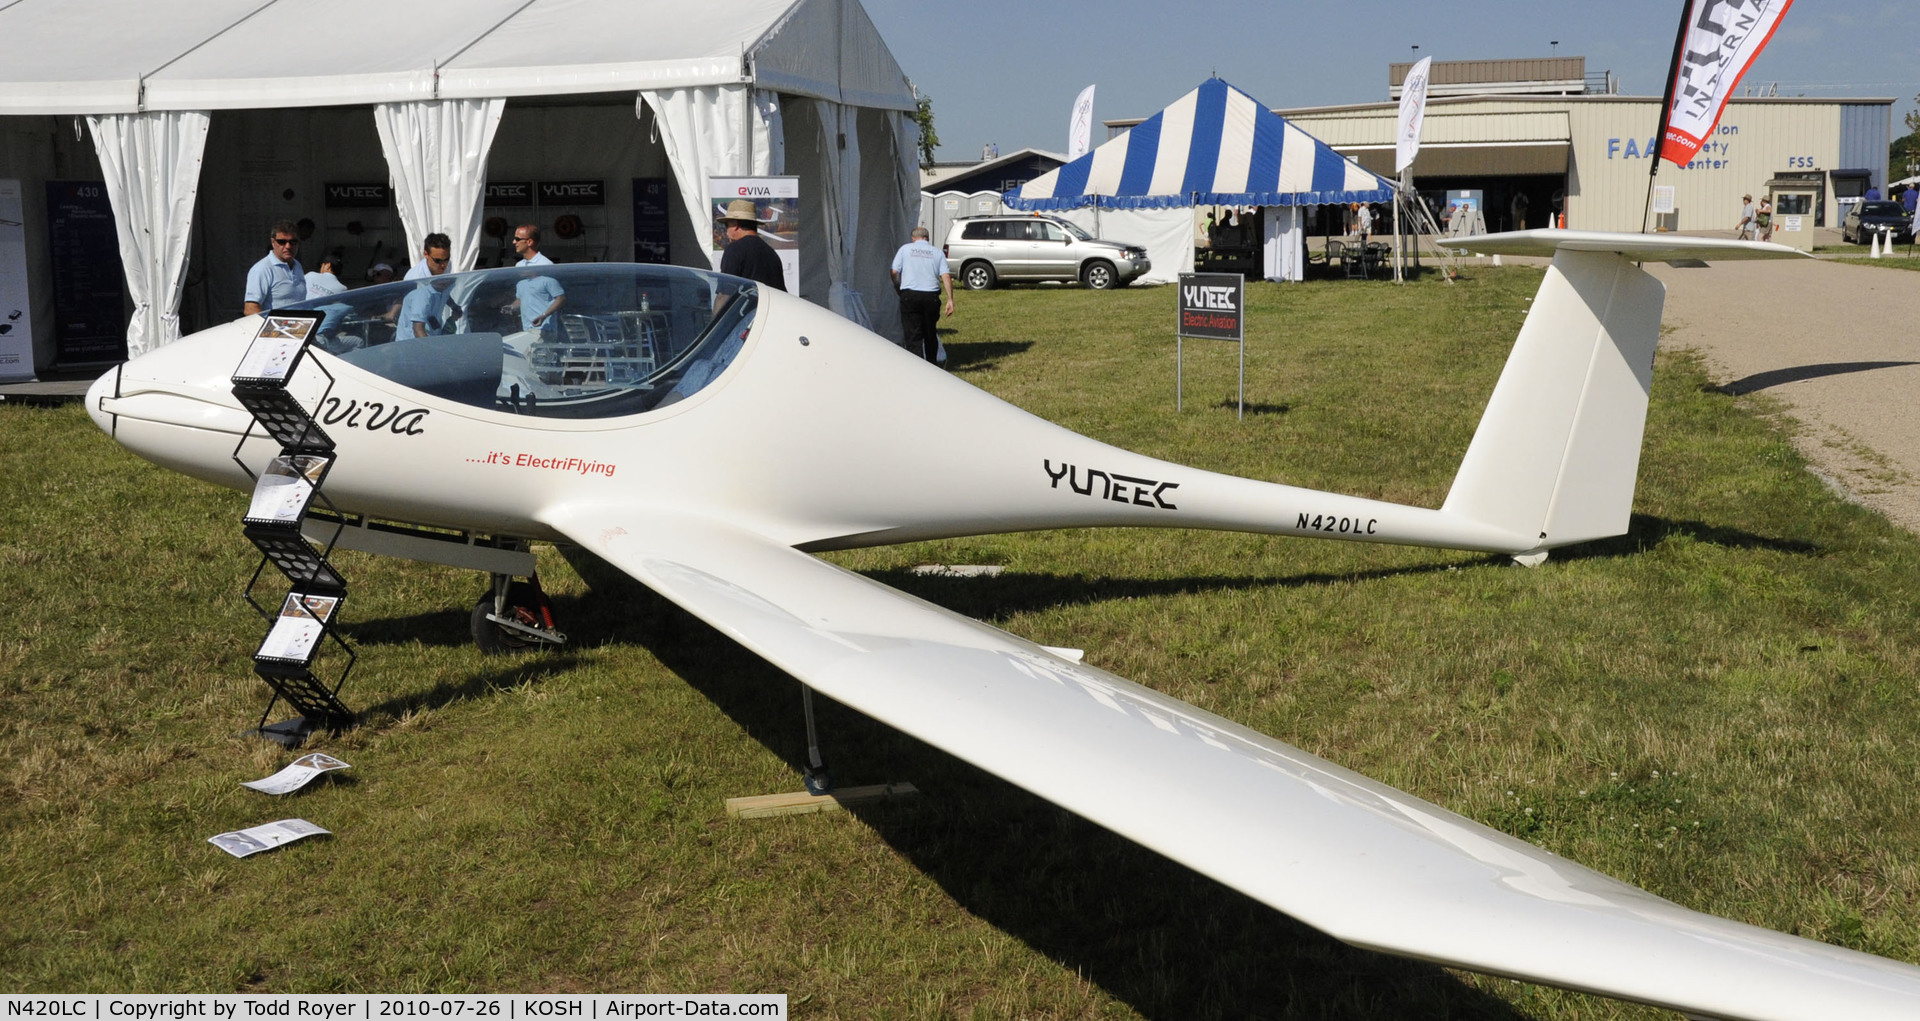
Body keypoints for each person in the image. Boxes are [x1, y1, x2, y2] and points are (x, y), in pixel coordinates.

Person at [890, 226, 954, 366]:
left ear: (913, 239)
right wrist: (950, 299)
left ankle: (917, 365)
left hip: (910, 294)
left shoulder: (905, 249)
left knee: (913, 333)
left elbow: (894, 271)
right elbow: (946, 276)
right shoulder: (937, 252)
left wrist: (898, 287)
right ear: (927, 238)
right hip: (930, 296)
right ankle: (932, 363)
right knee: (930, 331)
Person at [505, 224, 565, 335]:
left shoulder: (545, 265)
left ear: (529, 242)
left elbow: (560, 297)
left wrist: (544, 315)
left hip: (544, 329)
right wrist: (512, 306)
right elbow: (522, 297)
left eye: (517, 239)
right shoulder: (519, 266)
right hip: (526, 329)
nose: (514, 242)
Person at [716, 199, 787, 291]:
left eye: (727, 225)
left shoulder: (734, 250)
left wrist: (718, 305)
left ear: (735, 225)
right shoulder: (771, 253)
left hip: (753, 305)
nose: (727, 231)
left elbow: (725, 292)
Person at [243, 220, 306, 315]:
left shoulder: (297, 265)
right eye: (282, 242)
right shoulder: (262, 269)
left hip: (299, 328)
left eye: (293, 242)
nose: (288, 246)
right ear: (273, 242)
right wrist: (272, 329)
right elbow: (250, 309)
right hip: (276, 329)